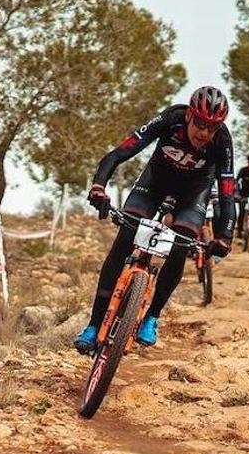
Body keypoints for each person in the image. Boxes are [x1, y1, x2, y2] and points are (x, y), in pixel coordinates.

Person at [74, 86, 236, 351]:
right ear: (189, 115)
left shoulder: (222, 141)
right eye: (200, 124)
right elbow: (120, 152)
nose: (205, 133)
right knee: (126, 236)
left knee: (182, 242)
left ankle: (152, 317)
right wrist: (99, 187)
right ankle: (93, 325)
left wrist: (224, 236)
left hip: (194, 192)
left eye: (212, 127)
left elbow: (227, 192)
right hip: (155, 182)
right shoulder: (171, 119)